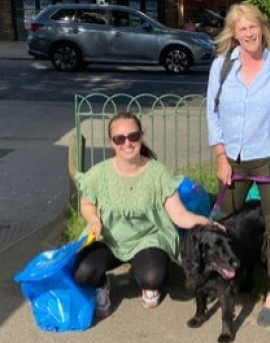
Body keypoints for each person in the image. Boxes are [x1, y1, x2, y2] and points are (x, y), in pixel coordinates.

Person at [206, 2, 270, 327]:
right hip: (232, 159)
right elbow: (212, 114)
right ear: (233, 34)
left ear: (263, 28)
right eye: (242, 28)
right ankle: (230, 279)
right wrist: (221, 156)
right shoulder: (221, 66)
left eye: (253, 26)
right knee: (225, 223)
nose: (249, 33)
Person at [73, 112, 216, 318]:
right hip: (109, 237)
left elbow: (179, 215)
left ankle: (150, 282)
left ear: (141, 136)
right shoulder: (98, 173)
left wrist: (207, 222)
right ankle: (102, 285)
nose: (127, 143)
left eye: (133, 136)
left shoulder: (157, 172)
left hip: (147, 237)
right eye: (119, 139)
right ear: (111, 142)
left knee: (152, 277)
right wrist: (94, 220)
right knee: (82, 273)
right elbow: (86, 203)